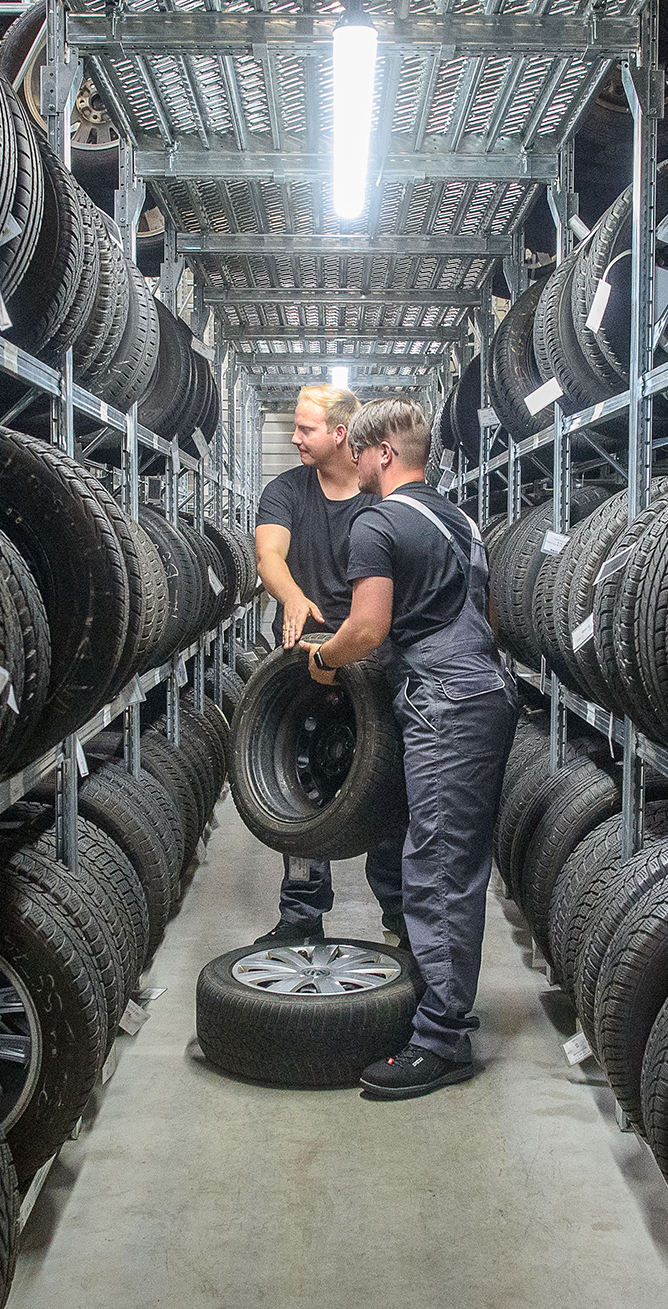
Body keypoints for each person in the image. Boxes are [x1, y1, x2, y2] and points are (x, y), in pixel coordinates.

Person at [304, 397, 517, 1100]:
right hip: (482, 689)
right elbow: (487, 618)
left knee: (439, 865)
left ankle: (441, 1041)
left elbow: (367, 629)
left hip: (446, 703)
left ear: (383, 454)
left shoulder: (378, 522)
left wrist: (324, 660)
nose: (354, 464)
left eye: (359, 453)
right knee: (436, 855)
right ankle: (435, 998)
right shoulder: (462, 521)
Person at [251, 385, 405, 947]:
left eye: (305, 428)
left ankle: (399, 912)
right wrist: (292, 595)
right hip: (302, 668)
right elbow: (269, 554)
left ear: (340, 434)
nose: (295, 437)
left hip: (370, 660)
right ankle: (300, 914)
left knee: (384, 787)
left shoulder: (378, 496)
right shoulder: (287, 490)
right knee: (296, 790)